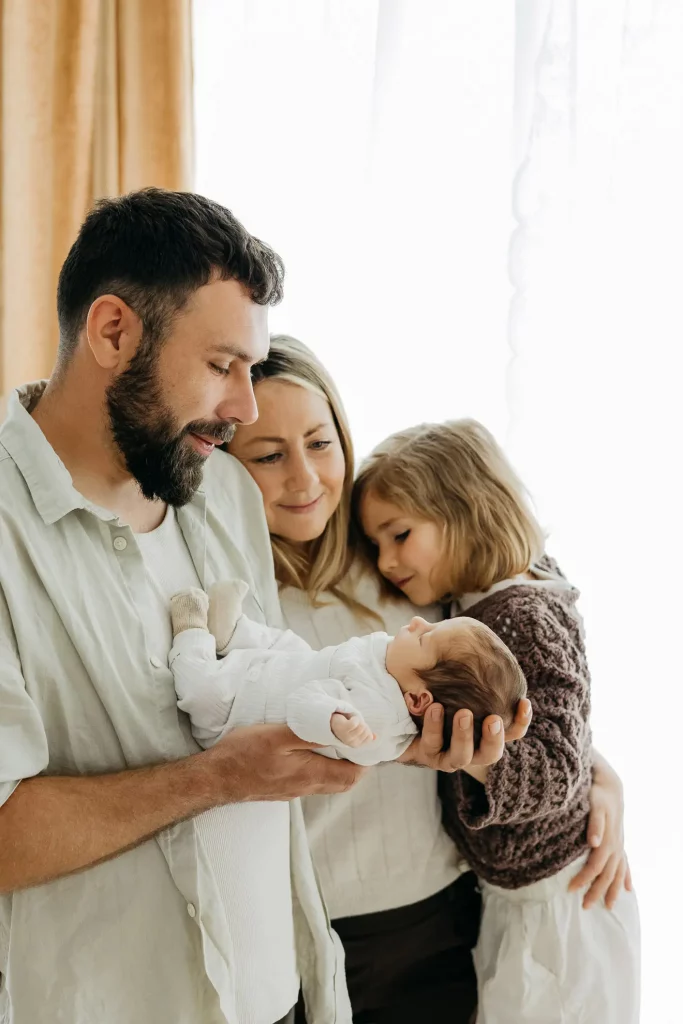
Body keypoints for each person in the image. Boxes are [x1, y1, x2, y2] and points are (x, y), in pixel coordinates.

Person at [0, 188, 376, 1024]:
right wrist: (218, 779)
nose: (243, 407)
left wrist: (406, 710)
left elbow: (284, 678)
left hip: (283, 999)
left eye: (251, 366)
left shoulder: (220, 490)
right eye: (221, 366)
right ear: (112, 332)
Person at [226, 335, 632, 1024]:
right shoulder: (232, 594)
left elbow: (516, 696)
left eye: (321, 443)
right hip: (293, 928)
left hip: (436, 923)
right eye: (267, 456)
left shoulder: (413, 572)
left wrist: (597, 774)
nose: (304, 478)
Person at [353, 418, 641, 1024]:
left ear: (467, 511)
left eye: (400, 534)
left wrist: (483, 759)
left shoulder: (521, 614)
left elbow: (560, 764)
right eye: (377, 544)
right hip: (517, 901)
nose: (387, 561)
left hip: (560, 908)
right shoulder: (475, 606)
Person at [168, 580, 526, 761]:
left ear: (418, 698)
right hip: (289, 670)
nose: (418, 621)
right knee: (290, 645)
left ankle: (192, 631)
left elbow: (303, 705)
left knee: (203, 693)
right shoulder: (393, 667)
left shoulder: (376, 720)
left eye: (425, 637)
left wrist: (335, 720)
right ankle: (232, 632)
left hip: (233, 713)